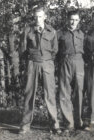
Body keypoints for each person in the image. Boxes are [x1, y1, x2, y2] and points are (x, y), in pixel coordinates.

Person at [19, 6, 60, 134]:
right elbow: (23, 50)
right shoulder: (27, 30)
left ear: (45, 17)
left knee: (50, 94)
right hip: (32, 63)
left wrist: (46, 60)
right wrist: (32, 59)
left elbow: (55, 51)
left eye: (40, 16)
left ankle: (54, 124)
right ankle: (25, 125)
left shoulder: (51, 31)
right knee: (29, 94)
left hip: (47, 64)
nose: (37, 19)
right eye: (35, 16)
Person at [57, 10, 85, 132]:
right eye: (71, 19)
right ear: (67, 19)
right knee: (64, 93)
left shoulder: (82, 34)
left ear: (79, 21)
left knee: (79, 92)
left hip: (79, 62)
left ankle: (79, 121)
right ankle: (68, 123)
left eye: (76, 19)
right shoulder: (59, 34)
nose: (73, 22)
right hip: (65, 62)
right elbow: (55, 51)